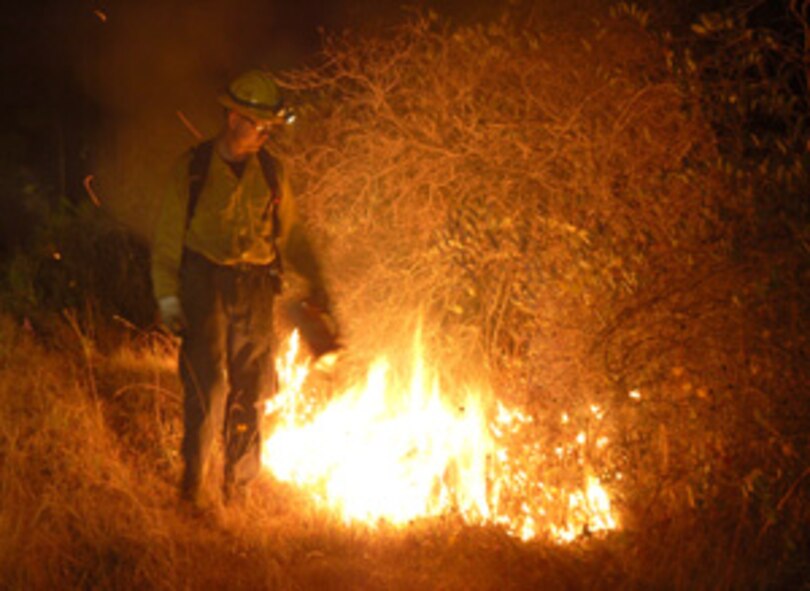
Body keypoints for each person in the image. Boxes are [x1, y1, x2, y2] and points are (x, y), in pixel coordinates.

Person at [151, 70, 335, 507]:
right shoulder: (193, 170)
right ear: (233, 117)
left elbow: (290, 236)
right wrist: (168, 297)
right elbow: (166, 240)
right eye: (258, 124)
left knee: (250, 390)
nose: (265, 135)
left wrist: (317, 282)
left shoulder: (271, 173)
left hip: (255, 290)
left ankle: (238, 491)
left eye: (270, 127)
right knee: (206, 385)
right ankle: (193, 489)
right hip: (203, 285)